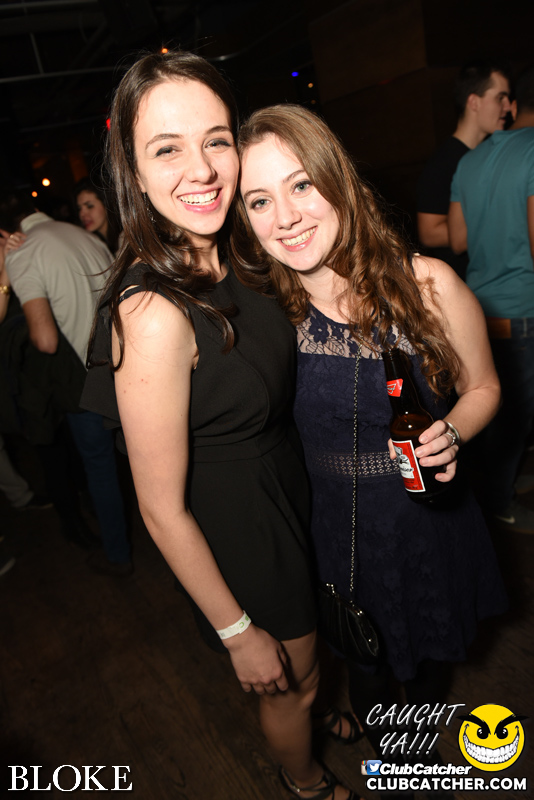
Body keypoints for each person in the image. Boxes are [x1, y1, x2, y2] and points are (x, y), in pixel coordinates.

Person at [81, 51, 359, 800]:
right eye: (166, 149)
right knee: (288, 682)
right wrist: (237, 632)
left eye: (215, 140)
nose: (202, 169)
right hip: (243, 531)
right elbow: (158, 508)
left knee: (316, 656)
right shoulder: (153, 312)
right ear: (133, 172)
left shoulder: (238, 252)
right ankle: (304, 780)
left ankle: (319, 709)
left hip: (289, 488)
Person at [232, 104, 508, 793]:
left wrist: (453, 431)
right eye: (259, 200)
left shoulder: (427, 285)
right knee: (365, 666)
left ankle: (412, 765)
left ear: (338, 180)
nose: (285, 217)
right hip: (334, 534)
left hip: (426, 523)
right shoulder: (265, 319)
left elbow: (484, 387)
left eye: (301, 185)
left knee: (427, 668)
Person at [2, 195, 131, 574]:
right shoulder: (83, 235)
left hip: (85, 383)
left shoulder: (23, 253)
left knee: (101, 469)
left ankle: (119, 556)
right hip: (126, 367)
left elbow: (45, 340)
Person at [449, 65, 534, 533]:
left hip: (481, 308)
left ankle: (500, 488)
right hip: (523, 305)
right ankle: (499, 502)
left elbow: (458, 240)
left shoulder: (470, 161)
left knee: (498, 416)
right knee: (515, 420)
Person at [417, 60, 511, 280]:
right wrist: (505, 223)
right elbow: (429, 233)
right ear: (474, 102)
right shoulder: (444, 161)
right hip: (464, 284)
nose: (507, 106)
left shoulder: (488, 155)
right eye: (500, 98)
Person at [74, 177, 122, 254]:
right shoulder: (92, 244)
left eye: (89, 206)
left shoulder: (127, 239)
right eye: (79, 209)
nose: (82, 214)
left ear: (106, 205)